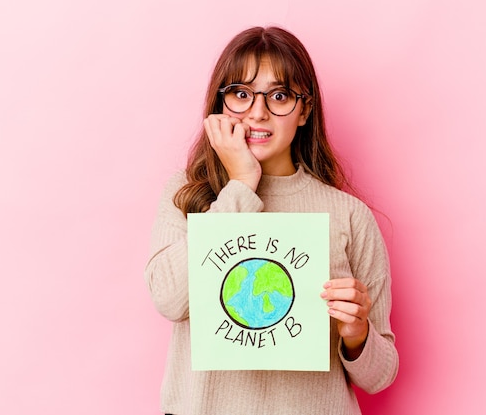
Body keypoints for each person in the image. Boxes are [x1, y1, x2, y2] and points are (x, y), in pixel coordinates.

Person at [144, 25, 398, 415]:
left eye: (279, 96)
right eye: (241, 95)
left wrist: (357, 334)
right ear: (220, 104)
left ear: (304, 110)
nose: (258, 112)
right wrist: (242, 184)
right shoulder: (187, 194)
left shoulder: (348, 215)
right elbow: (169, 298)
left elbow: (379, 377)